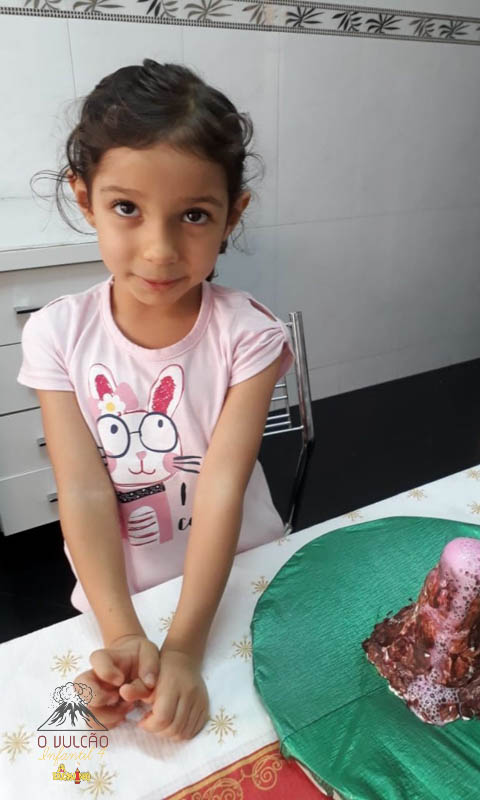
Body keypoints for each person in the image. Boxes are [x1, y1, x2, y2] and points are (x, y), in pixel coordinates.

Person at [16, 59, 295, 742]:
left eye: (193, 215)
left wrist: (185, 649)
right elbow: (83, 490)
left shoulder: (251, 337)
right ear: (85, 199)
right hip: (122, 589)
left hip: (240, 577)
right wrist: (122, 634)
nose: (160, 250)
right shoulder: (56, 334)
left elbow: (222, 489)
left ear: (232, 214)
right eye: (127, 209)